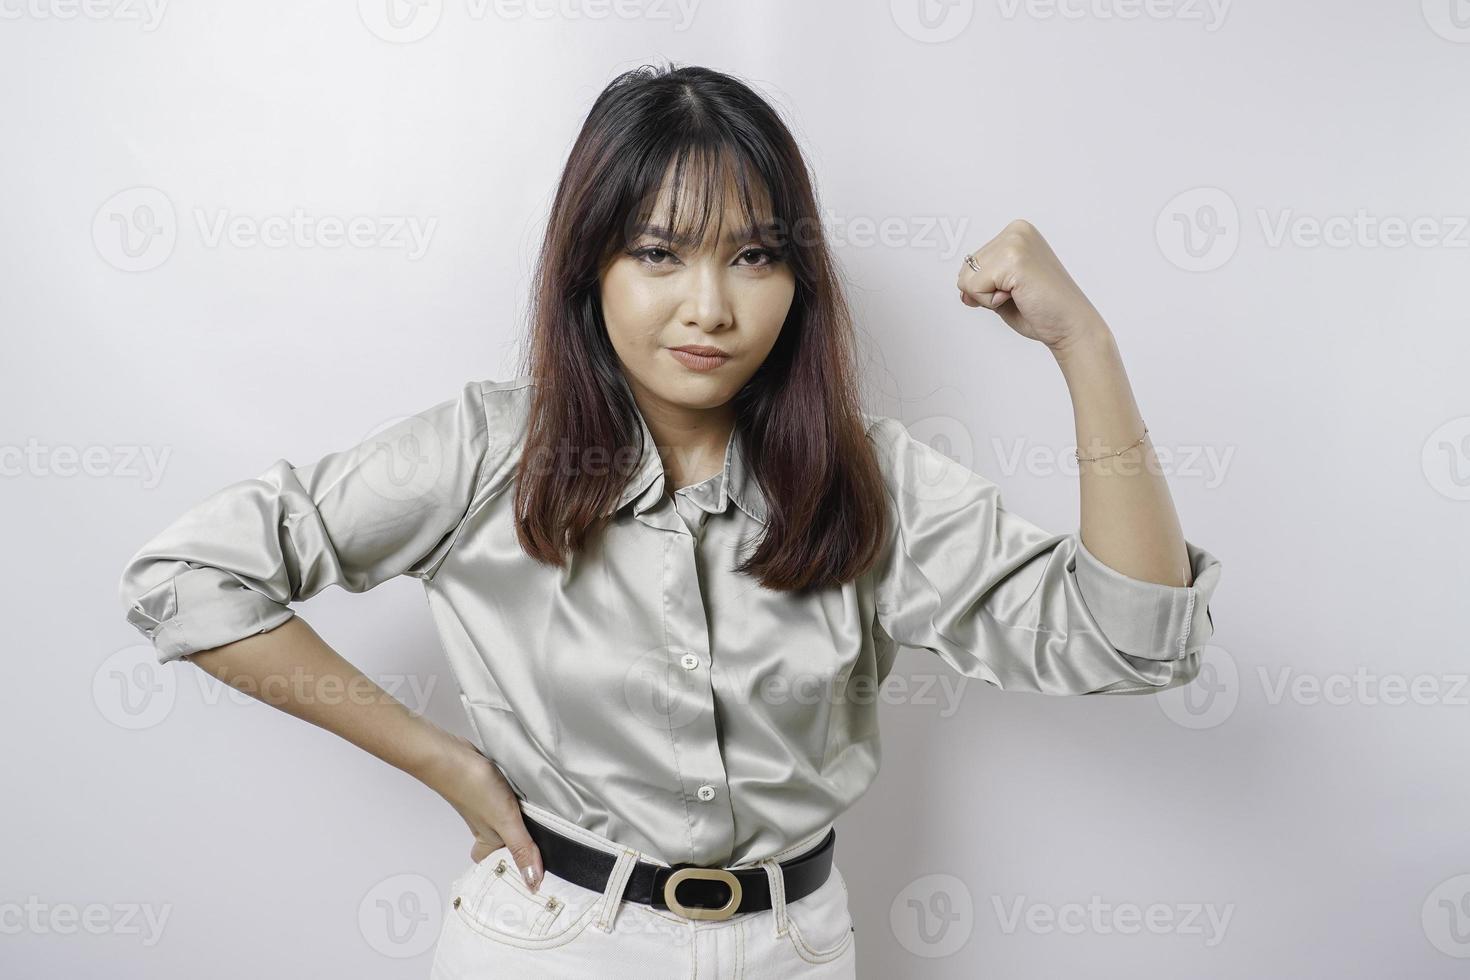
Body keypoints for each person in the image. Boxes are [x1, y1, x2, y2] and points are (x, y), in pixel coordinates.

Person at [117, 62, 1222, 979]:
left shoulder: (865, 477)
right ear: (589, 266)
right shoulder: (481, 454)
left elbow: (1131, 641)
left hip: (800, 945)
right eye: (659, 251)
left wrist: (1086, 345)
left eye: (754, 254)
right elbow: (189, 575)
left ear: (799, 279)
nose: (710, 305)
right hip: (548, 944)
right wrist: (441, 761)